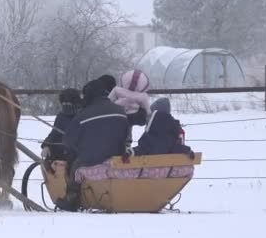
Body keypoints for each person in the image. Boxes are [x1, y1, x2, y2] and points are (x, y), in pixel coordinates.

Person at [55, 79, 130, 212]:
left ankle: (71, 199)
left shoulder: (83, 115)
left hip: (91, 158)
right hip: (117, 156)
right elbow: (127, 135)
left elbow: (68, 141)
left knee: (75, 166)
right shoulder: (120, 110)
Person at [135, 98, 195, 178]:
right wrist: (188, 150)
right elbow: (177, 148)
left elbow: (141, 149)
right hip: (169, 172)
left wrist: (130, 152)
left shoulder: (150, 138)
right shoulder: (173, 134)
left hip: (148, 172)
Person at [41, 88, 83, 161]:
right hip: (60, 153)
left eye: (68, 104)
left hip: (77, 155)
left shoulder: (83, 115)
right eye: (64, 104)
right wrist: (46, 145)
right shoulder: (61, 116)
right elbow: (54, 133)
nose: (66, 106)